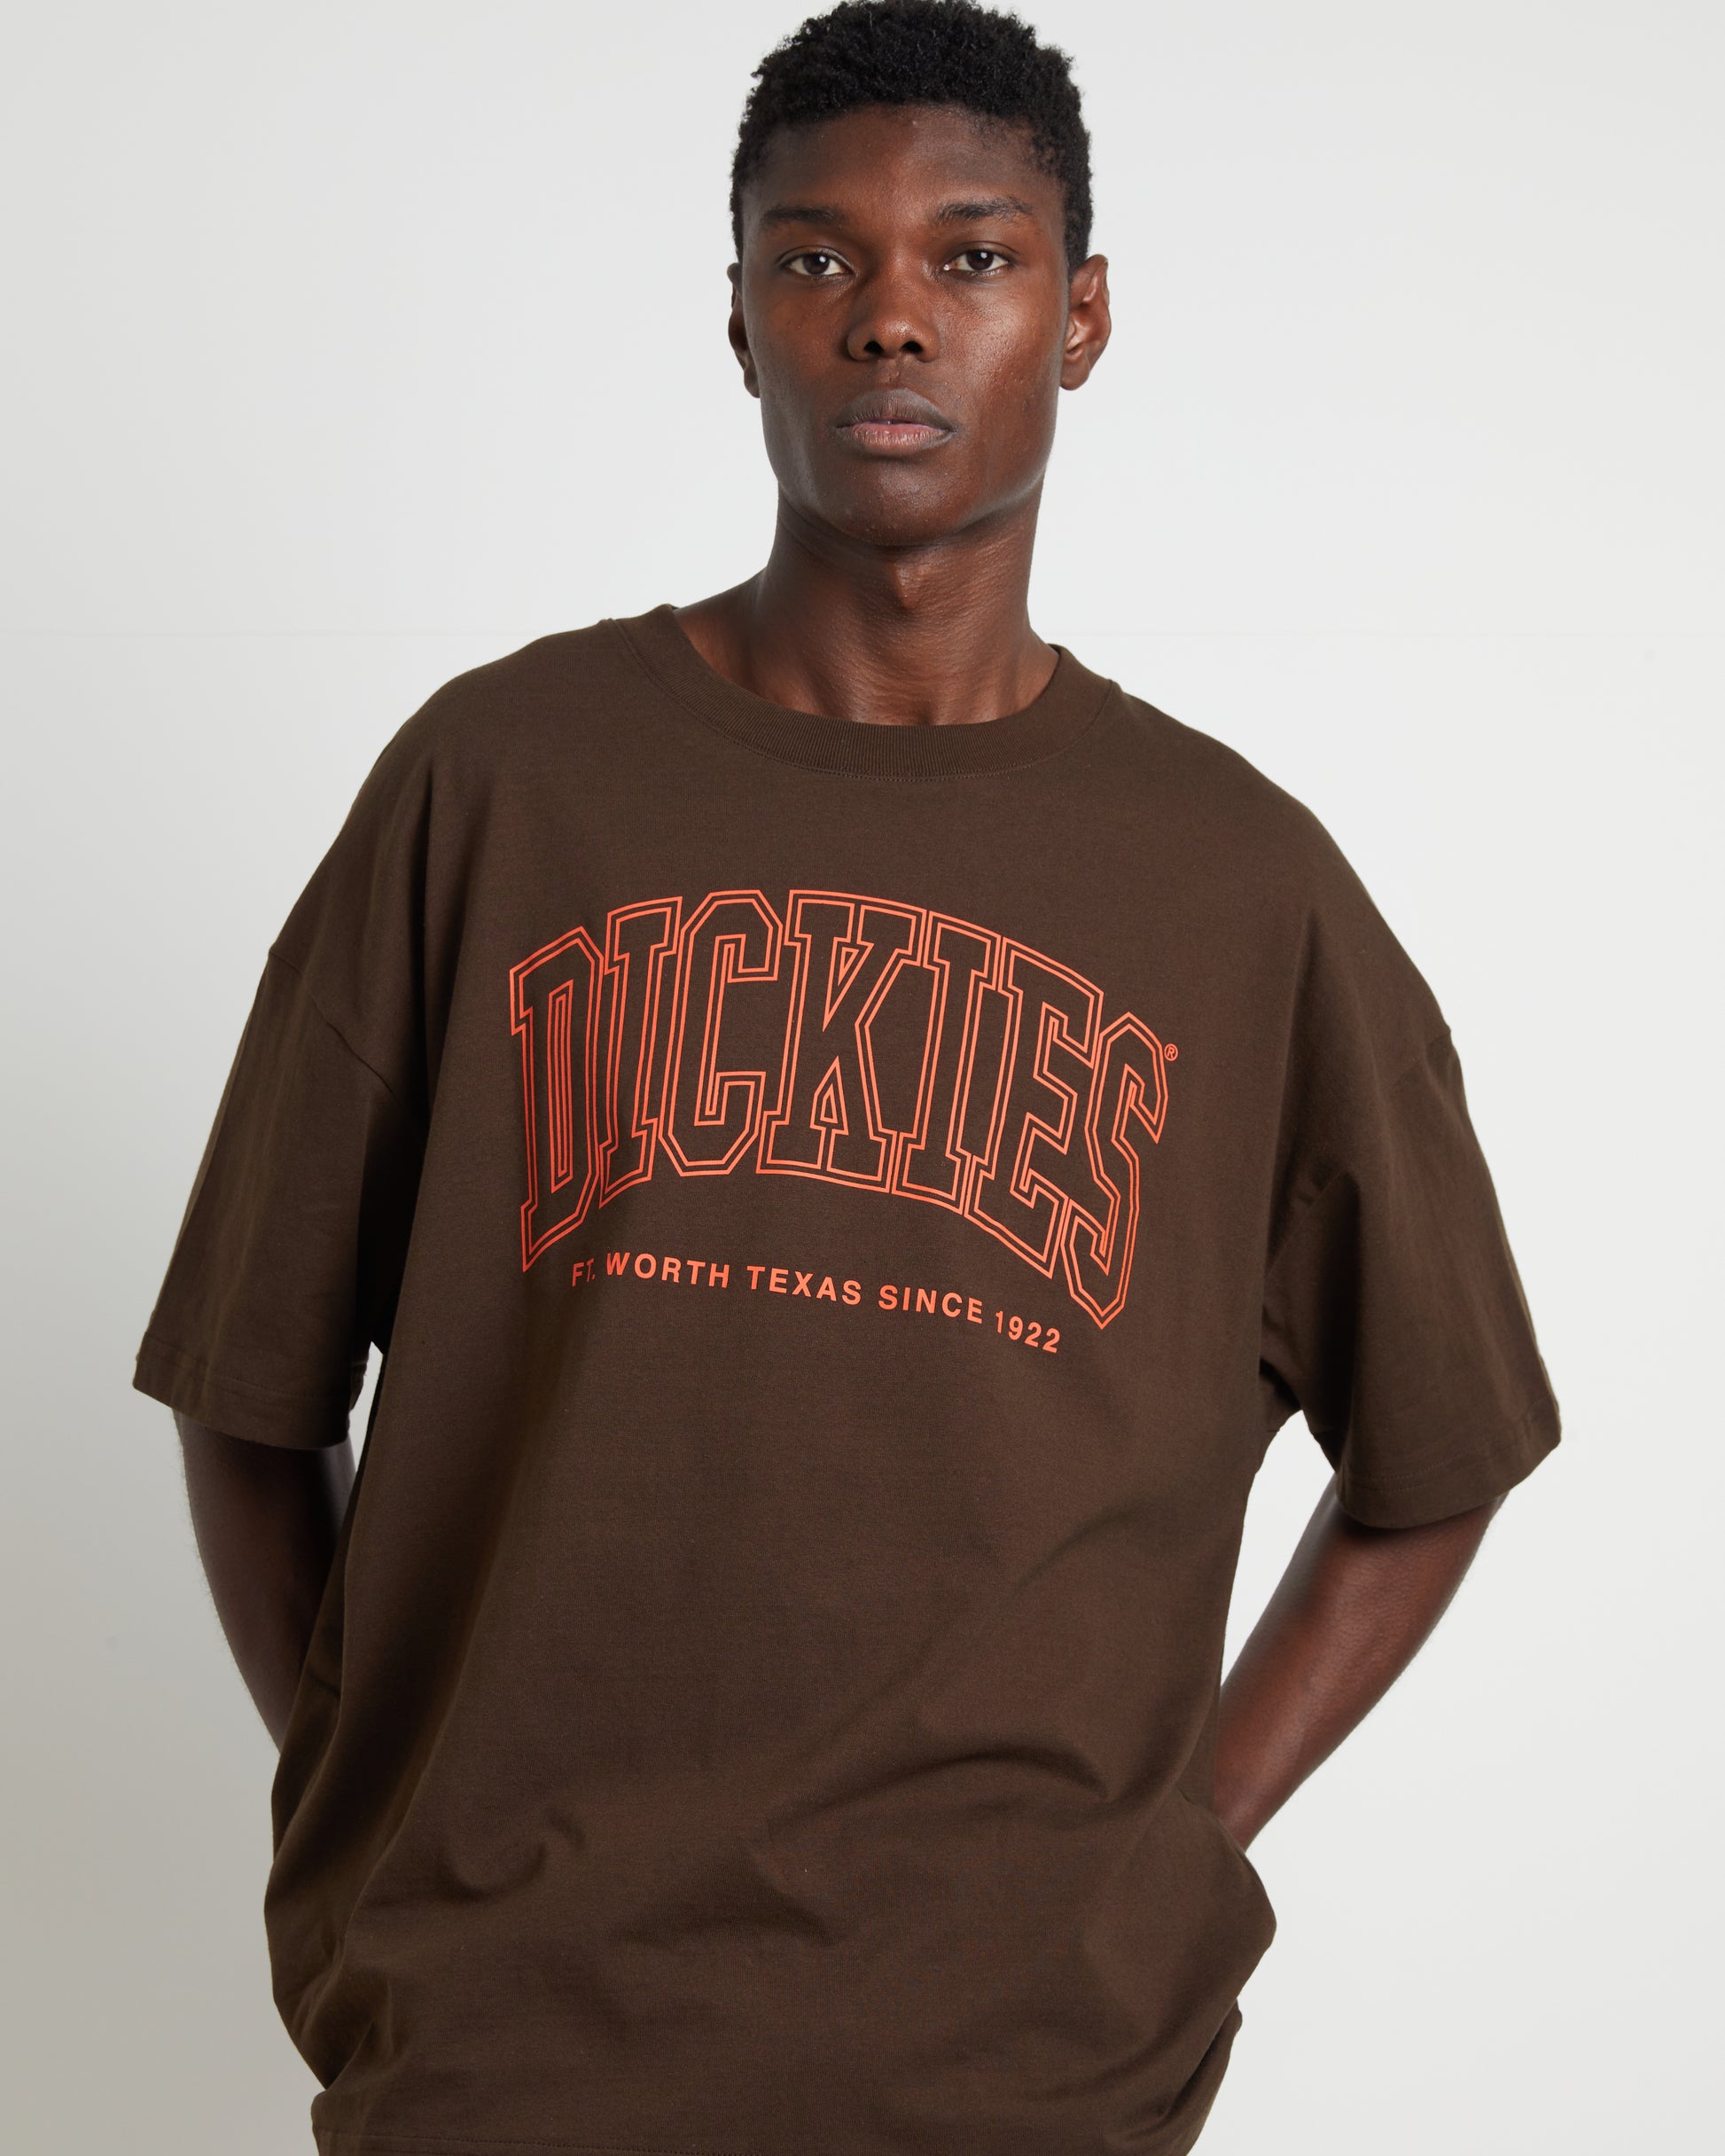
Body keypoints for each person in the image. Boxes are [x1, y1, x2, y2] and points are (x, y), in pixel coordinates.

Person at [136, 4, 1562, 2152]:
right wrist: (374, 1798)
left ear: (1080, 316)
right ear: (737, 318)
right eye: (816, 258)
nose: (891, 317)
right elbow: (249, 1392)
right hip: (511, 2055)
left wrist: (1180, 1832)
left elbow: (1439, 1444)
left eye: (971, 258)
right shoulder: (500, 784)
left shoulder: (1234, 883)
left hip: (1026, 2075)